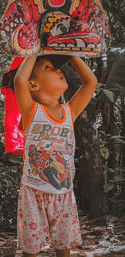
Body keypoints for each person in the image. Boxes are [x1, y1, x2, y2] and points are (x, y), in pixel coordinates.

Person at [14, 55, 97, 257]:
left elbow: (90, 82)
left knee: (63, 247)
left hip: (63, 193)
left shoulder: (70, 112)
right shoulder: (31, 111)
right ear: (33, 84)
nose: (58, 70)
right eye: (49, 67)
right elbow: (19, 81)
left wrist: (71, 54)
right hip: (34, 193)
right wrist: (35, 49)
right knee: (30, 249)